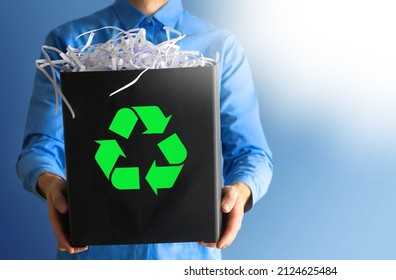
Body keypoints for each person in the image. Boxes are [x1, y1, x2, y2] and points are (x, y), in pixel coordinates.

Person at [16, 0, 273, 260]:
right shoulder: (69, 43)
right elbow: (39, 148)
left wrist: (241, 191)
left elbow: (251, 153)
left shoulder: (220, 48)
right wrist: (49, 183)